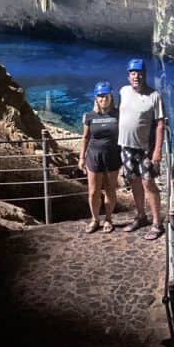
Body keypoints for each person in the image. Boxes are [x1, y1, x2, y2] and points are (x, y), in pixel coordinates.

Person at [118, 57, 166, 239]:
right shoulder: (123, 92)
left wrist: (157, 151)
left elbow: (160, 125)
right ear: (128, 75)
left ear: (144, 74)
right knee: (134, 182)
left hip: (145, 149)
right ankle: (140, 216)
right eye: (132, 73)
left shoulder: (154, 96)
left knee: (149, 183)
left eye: (139, 73)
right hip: (126, 147)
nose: (136, 76)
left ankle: (157, 223)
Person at [79, 81, 120, 233]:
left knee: (110, 190)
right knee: (93, 191)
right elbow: (85, 137)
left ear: (111, 96)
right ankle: (95, 219)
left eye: (106, 96)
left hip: (113, 156)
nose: (103, 99)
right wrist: (81, 157)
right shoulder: (89, 116)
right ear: (96, 98)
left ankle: (108, 219)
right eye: (100, 96)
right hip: (93, 156)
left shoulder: (118, 114)